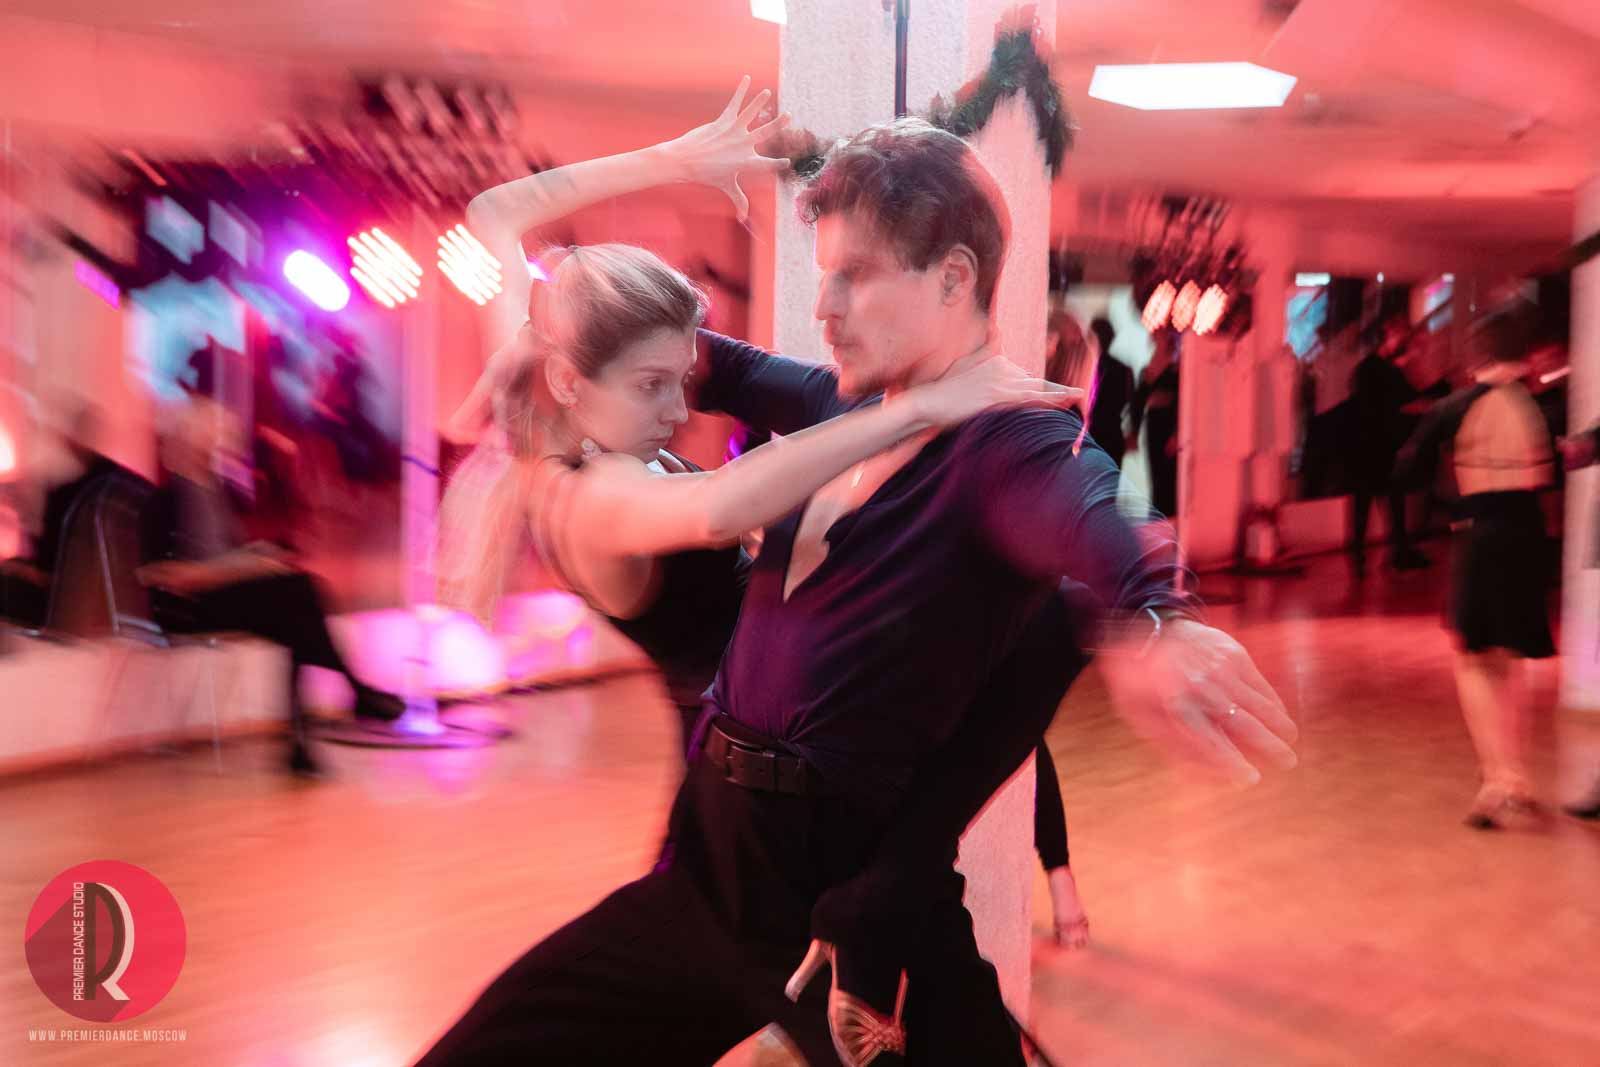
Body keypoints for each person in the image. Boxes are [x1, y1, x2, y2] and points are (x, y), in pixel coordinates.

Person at [416, 109, 1295, 1067]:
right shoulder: (833, 403)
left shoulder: (1007, 443)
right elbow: (670, 371)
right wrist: (547, 356)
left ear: (953, 278)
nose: (824, 307)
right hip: (716, 858)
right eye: (825, 274)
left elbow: (1091, 506)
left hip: (849, 874)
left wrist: (1160, 615)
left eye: (855, 276)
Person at [442, 85, 1074, 761]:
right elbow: (718, 508)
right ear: (570, 382)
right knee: (1044, 632)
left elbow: (494, 212)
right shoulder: (585, 496)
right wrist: (919, 410)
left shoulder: (544, 387)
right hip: (758, 749)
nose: (679, 410)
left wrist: (676, 160)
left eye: (680, 380)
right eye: (651, 385)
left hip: (791, 694)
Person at [139, 391, 406, 777]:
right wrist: (243, 567)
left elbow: (226, 553)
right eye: (211, 436)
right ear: (188, 439)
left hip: (224, 595)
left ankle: (303, 743)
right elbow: (166, 575)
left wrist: (256, 557)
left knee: (297, 608)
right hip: (186, 607)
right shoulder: (164, 499)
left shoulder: (218, 492)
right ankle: (353, 693)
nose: (218, 445)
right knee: (300, 592)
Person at [1395, 303, 1556, 829]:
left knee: (1473, 660)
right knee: (1512, 659)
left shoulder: (1455, 408)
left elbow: (1407, 470)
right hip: (1529, 536)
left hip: (1481, 534)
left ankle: (1496, 779)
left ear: (1477, 353)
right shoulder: (1540, 407)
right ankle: (1517, 776)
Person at [0, 398, 121, 631]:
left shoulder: (70, 494)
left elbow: (47, 571)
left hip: (66, 600)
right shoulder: (119, 484)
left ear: (70, 439)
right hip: (111, 603)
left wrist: (24, 568)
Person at [1348, 316, 1429, 577]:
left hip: (1368, 446)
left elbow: (1401, 400)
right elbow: (1406, 401)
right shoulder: (1382, 370)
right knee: (1389, 501)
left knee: (1367, 505)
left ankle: (1363, 557)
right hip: (1379, 446)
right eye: (1398, 336)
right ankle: (1397, 553)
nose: (1400, 341)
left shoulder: (1369, 369)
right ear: (1388, 335)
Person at [1131, 328, 1181, 518]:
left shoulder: (1178, 367)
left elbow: (1182, 401)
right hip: (1153, 423)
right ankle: (1158, 515)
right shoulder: (1149, 368)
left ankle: (1168, 515)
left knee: (1169, 473)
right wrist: (1134, 431)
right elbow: (1138, 401)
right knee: (1156, 472)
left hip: (1169, 423)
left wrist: (1177, 432)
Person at [1088, 316, 1135, 473]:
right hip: (1114, 434)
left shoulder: (1087, 369)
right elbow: (1131, 404)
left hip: (1090, 433)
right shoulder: (1124, 370)